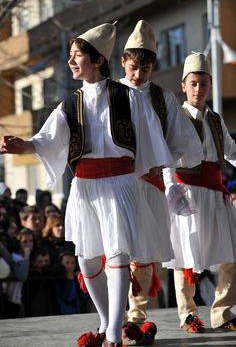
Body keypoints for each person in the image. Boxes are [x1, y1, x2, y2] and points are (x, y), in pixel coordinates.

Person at [0, 22, 174, 347]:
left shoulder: (129, 98)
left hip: (120, 183)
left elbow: (152, 143)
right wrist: (21, 145)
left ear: (97, 60)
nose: (70, 61)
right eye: (70, 55)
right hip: (84, 186)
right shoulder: (70, 103)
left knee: (118, 253)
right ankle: (108, 321)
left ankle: (113, 336)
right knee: (87, 259)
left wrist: (162, 181)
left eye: (77, 55)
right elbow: (46, 139)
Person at [119, 20, 203, 345]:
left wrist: (162, 162)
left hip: (150, 183)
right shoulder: (110, 92)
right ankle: (113, 319)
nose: (138, 74)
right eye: (133, 67)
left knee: (143, 251)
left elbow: (184, 143)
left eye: (145, 68)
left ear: (152, 65)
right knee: (117, 249)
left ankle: (135, 319)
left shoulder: (163, 98)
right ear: (123, 62)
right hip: (117, 181)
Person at [162, 52, 236, 333]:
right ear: (183, 85)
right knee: (184, 256)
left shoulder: (216, 119)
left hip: (215, 194)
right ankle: (188, 314)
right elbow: (167, 157)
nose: (198, 89)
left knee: (231, 253)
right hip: (187, 194)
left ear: (210, 86)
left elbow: (231, 151)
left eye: (203, 83)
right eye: (193, 83)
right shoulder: (176, 118)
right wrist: (171, 190)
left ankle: (223, 311)